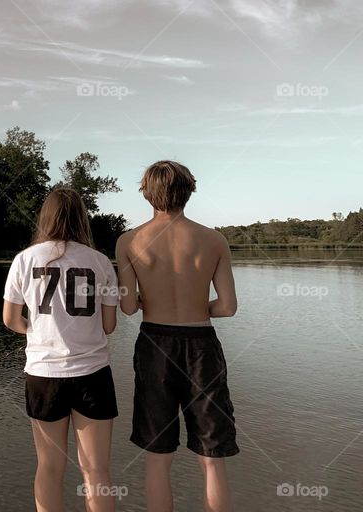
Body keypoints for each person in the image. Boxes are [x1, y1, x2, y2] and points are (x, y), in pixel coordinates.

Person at [116, 160, 239, 512]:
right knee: (212, 457)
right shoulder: (214, 240)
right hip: (202, 345)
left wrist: (150, 302)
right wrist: (196, 306)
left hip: (154, 344)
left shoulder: (129, 241)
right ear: (189, 191)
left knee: (158, 456)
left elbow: (127, 307)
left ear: (146, 194)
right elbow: (227, 307)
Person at [3, 186, 120, 512]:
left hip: (44, 375)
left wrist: (38, 331)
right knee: (96, 471)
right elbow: (109, 325)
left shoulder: (24, 260)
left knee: (50, 468)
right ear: (82, 219)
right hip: (93, 375)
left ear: (46, 218)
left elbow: (10, 319)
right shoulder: (100, 262)